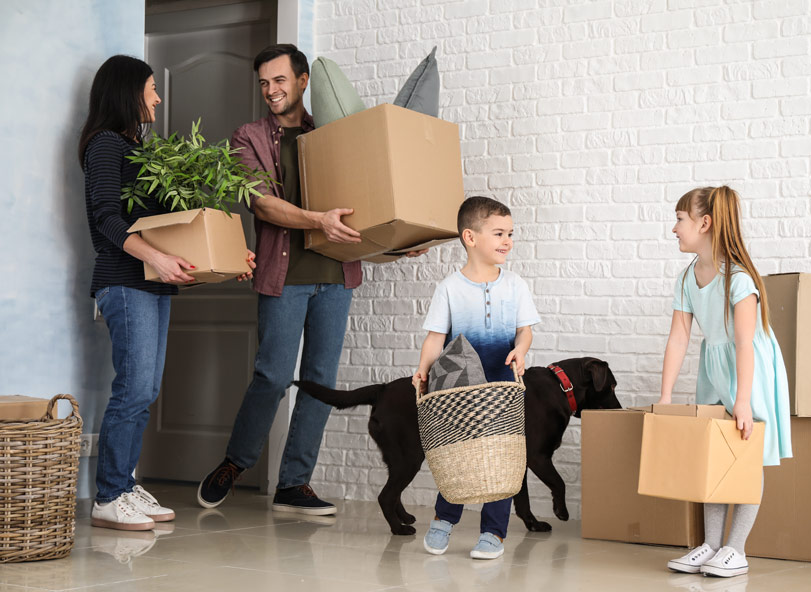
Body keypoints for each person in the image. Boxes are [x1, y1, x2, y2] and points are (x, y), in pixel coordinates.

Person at [196, 44, 424, 515]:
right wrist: (318, 219)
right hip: (284, 277)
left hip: (336, 278)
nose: (271, 90)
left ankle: (293, 484)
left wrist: (400, 243)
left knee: (321, 380)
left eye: (279, 80)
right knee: (273, 376)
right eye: (263, 83)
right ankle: (235, 463)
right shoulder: (249, 137)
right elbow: (261, 203)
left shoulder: (337, 135)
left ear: (302, 81)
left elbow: (363, 211)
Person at [79, 55, 254, 530]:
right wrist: (154, 258)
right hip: (123, 280)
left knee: (146, 389)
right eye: (152, 87)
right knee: (133, 388)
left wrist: (227, 261)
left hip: (151, 285)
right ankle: (109, 496)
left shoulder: (141, 150)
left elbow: (170, 230)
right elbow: (107, 218)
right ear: (128, 91)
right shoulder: (105, 146)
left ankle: (125, 484)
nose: (158, 97)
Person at [658, 185, 792, 577]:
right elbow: (679, 337)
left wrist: (744, 399)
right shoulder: (687, 278)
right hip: (715, 366)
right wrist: (666, 394)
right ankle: (711, 545)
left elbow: (745, 343)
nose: (674, 228)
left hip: (749, 368)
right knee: (714, 455)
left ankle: (737, 549)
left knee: (745, 454)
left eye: (680, 220)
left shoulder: (739, 278)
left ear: (704, 222)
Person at [412, 196, 540, 560]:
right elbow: (436, 336)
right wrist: (423, 369)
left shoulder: (514, 284)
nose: (507, 241)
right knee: (457, 453)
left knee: (502, 457)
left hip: (502, 386)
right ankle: (443, 519)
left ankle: (494, 533)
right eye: (498, 233)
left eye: (510, 233)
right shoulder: (449, 287)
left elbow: (525, 331)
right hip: (459, 389)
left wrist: (521, 348)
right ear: (470, 237)